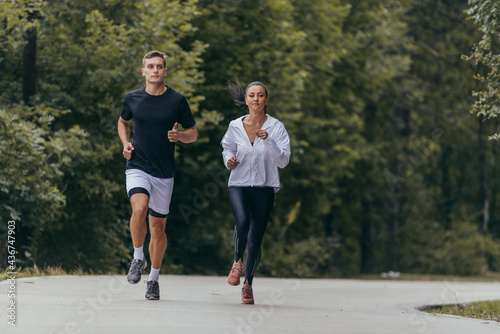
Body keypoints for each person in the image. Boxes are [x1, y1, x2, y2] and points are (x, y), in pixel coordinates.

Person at [117, 50, 197, 300]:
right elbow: (123, 122)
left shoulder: (177, 100)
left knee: (158, 228)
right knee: (139, 210)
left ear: (165, 71)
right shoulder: (133, 98)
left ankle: (153, 279)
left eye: (159, 66)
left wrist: (179, 136)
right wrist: (125, 143)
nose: (154, 70)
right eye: (150, 66)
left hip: (164, 172)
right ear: (143, 71)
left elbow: (193, 133)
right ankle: (138, 257)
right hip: (138, 165)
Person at [221, 79, 291, 304]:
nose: (256, 99)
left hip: (265, 186)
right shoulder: (235, 126)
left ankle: (248, 284)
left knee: (256, 237)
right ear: (246, 100)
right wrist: (228, 160)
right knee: (241, 221)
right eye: (252, 95)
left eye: (260, 95)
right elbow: (227, 148)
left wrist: (268, 140)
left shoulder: (276, 127)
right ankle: (236, 261)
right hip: (238, 183)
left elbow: (283, 161)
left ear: (266, 100)